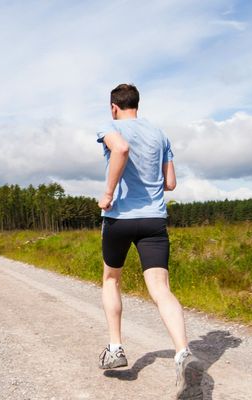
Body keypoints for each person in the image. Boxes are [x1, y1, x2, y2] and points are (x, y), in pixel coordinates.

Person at [95, 83, 191, 388]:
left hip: (119, 218)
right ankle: (182, 352)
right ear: (137, 105)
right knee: (161, 289)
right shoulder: (160, 134)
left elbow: (120, 148)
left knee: (112, 279)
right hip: (153, 220)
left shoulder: (109, 126)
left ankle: (115, 348)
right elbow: (171, 182)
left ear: (114, 107)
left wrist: (108, 193)